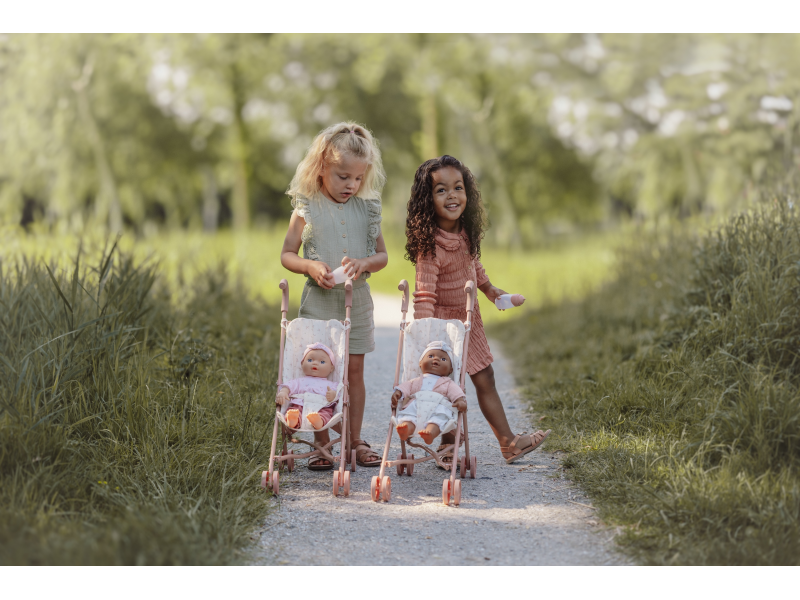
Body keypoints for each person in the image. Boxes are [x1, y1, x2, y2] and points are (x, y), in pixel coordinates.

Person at [405, 155, 550, 464]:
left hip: (469, 320)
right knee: (447, 386)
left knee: (486, 378)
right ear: (427, 200)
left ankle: (508, 443)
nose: (452, 196)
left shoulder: (465, 233)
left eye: (458, 187)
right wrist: (426, 338)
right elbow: (424, 296)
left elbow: (473, 266)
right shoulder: (429, 246)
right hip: (443, 328)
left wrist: (490, 290)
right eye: (441, 190)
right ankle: (448, 447)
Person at [281, 121, 387, 469]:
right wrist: (309, 266)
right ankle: (322, 441)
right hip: (319, 303)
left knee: (353, 372)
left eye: (358, 178)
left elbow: (382, 256)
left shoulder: (367, 208)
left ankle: (354, 440)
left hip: (356, 303)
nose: (351, 185)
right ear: (322, 167)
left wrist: (364, 262)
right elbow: (287, 254)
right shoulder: (306, 208)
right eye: (343, 176)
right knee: (319, 372)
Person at [391, 341, 467, 445]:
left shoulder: (448, 383)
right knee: (409, 418)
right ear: (420, 363)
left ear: (450, 370)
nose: (436, 359)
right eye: (430, 356)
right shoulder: (416, 380)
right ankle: (406, 430)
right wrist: (399, 392)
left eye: (443, 359)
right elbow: (406, 387)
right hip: (416, 407)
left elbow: (456, 392)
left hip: (438, 408)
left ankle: (430, 433)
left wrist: (460, 400)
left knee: (438, 420)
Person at [277, 343, 339, 430]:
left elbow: (338, 394)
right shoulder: (299, 381)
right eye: (310, 360)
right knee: (293, 411)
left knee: (326, 413)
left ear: (331, 368)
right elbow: (288, 386)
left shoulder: (331, 384)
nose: (315, 363)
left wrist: (333, 395)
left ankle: (319, 421)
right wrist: (283, 392)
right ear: (302, 364)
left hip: (321, 407)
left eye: (322, 362)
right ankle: (293, 420)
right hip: (300, 405)